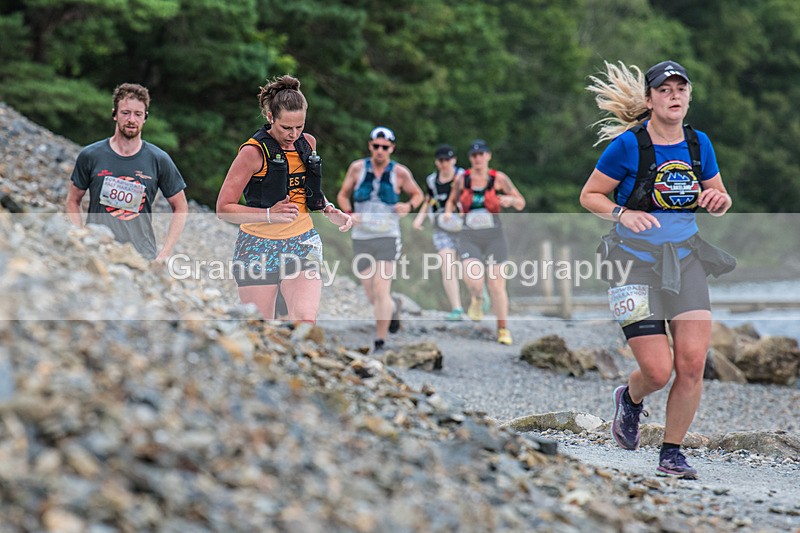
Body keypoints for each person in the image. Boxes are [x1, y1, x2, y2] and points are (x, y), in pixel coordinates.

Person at [580, 60, 735, 479]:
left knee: (691, 364)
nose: (674, 96)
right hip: (631, 266)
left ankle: (671, 452)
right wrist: (622, 213)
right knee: (657, 371)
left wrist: (719, 201)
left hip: (685, 262)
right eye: (664, 90)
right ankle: (629, 399)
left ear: (688, 96)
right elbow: (590, 195)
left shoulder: (699, 144)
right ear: (649, 100)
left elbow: (717, 193)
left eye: (681, 89)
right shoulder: (629, 145)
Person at [216, 75, 352, 322]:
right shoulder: (252, 152)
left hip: (301, 242)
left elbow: (307, 190)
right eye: (286, 128)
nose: (293, 135)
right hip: (257, 246)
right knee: (262, 330)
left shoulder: (307, 143)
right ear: (270, 117)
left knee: (305, 321)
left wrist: (329, 209)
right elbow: (223, 209)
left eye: (299, 127)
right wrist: (269, 214)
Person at [66, 83, 188, 262]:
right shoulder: (91, 155)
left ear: (145, 117)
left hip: (141, 255)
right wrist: (80, 234)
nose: (132, 119)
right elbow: (72, 201)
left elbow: (181, 207)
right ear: (115, 114)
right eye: (125, 113)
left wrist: (165, 253)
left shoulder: (158, 159)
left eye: (138, 114)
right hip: (97, 251)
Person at [336, 126, 423, 353]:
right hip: (362, 236)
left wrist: (408, 206)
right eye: (376, 146)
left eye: (385, 147)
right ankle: (393, 308)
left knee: (381, 287)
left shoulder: (400, 173)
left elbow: (418, 194)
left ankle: (380, 340)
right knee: (370, 293)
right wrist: (348, 212)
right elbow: (343, 194)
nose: (380, 151)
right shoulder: (357, 168)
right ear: (370, 146)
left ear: (392, 148)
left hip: (388, 235)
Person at [445, 139, 526, 345]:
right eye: (474, 155)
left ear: (488, 156)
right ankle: (477, 298)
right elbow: (451, 201)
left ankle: (502, 329)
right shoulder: (462, 180)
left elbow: (520, 202)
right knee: (473, 278)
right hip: (469, 235)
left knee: (497, 285)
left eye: (481, 154)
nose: (478, 158)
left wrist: (510, 200)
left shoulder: (498, 179)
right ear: (470, 158)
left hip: (494, 236)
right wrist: (447, 214)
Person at [412, 144, 465, 321]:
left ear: (454, 160)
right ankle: (457, 308)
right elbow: (429, 199)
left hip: (465, 228)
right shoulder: (432, 180)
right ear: (437, 162)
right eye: (441, 160)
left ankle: (479, 295)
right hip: (441, 228)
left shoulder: (463, 177)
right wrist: (419, 218)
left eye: (447, 160)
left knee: (468, 269)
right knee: (447, 266)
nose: (444, 164)